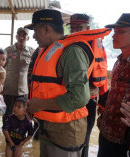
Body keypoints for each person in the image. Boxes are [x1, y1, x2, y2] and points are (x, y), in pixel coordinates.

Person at [25, 9, 110, 157]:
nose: (33, 35)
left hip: (66, 131)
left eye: (35, 30)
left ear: (46, 29)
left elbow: (79, 97)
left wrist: (40, 105)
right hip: (49, 127)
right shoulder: (48, 50)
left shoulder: (72, 51)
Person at [67, 13, 108, 157]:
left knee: (85, 136)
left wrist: (102, 103)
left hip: (91, 99)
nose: (76, 31)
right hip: (70, 99)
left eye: (79, 27)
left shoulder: (99, 46)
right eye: (73, 28)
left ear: (88, 28)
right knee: (69, 135)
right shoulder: (66, 45)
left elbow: (102, 70)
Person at [97, 13, 130, 157]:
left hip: (123, 141)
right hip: (106, 133)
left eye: (120, 32)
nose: (114, 36)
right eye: (114, 32)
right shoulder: (119, 61)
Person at [3, 27, 35, 122]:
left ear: (28, 38)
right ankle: (7, 135)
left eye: (24, 35)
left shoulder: (32, 52)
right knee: (8, 114)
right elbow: (1, 68)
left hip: (24, 91)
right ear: (16, 37)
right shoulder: (8, 51)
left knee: (22, 116)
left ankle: (21, 136)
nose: (21, 37)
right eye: (19, 35)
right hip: (9, 90)